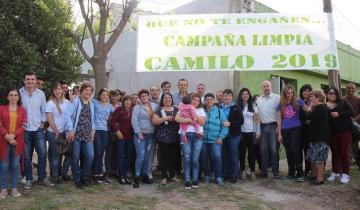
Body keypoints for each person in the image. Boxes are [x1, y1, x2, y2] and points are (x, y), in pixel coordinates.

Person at [20, 72, 54, 189]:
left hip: (38, 129)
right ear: (24, 80)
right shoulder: (19, 93)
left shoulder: (41, 94)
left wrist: (42, 124)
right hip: (24, 130)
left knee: (42, 154)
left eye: (32, 79)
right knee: (27, 156)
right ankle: (28, 179)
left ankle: (42, 178)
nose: (30, 81)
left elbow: (43, 110)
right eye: (28, 79)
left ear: (35, 81)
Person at [64, 83, 95, 188]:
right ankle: (77, 179)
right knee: (75, 157)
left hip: (87, 134)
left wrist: (93, 130)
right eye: (86, 90)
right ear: (81, 91)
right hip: (76, 133)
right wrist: (70, 130)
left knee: (90, 156)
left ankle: (85, 177)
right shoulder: (75, 101)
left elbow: (92, 118)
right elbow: (67, 115)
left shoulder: (91, 103)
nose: (88, 92)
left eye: (90, 91)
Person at [0, 87, 27, 199]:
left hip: (17, 141)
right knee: (4, 165)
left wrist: (13, 136)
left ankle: (14, 188)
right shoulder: (1, 108)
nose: (13, 97)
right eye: (11, 95)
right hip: (3, 140)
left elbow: (24, 125)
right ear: (7, 97)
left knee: (15, 165)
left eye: (16, 95)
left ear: (18, 97)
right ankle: (4, 189)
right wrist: (7, 136)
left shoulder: (22, 110)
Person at [175, 93, 205, 189]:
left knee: (195, 158)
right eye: (194, 100)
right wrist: (189, 119)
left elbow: (201, 122)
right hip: (185, 135)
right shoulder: (183, 107)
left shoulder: (200, 110)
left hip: (198, 136)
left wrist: (192, 113)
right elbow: (177, 118)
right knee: (187, 157)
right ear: (190, 100)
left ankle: (195, 179)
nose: (195, 102)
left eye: (197, 100)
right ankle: (187, 179)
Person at [277, 85, 305, 182]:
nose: (289, 95)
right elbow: (279, 120)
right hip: (285, 130)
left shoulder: (298, 101)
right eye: (287, 93)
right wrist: (279, 134)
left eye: (291, 93)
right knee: (288, 151)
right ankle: (291, 173)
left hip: (296, 129)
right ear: (284, 94)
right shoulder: (281, 104)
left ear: (293, 93)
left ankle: (300, 173)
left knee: (295, 150)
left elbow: (308, 110)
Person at [325, 87, 353, 184]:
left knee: (343, 152)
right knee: (335, 153)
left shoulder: (343, 102)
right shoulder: (325, 105)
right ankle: (335, 172)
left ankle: (345, 174)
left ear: (337, 94)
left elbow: (351, 112)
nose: (332, 95)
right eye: (330, 93)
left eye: (334, 93)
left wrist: (339, 114)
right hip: (332, 133)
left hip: (345, 131)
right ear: (326, 94)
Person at [131, 89, 158, 188]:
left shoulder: (154, 106)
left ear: (148, 96)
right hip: (140, 135)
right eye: (142, 96)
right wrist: (138, 133)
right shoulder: (137, 107)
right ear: (140, 97)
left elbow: (158, 115)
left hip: (151, 135)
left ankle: (145, 175)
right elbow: (134, 120)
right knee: (140, 156)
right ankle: (136, 177)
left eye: (146, 95)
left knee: (147, 157)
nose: (144, 97)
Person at [152, 93, 180, 185]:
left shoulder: (176, 109)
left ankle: (172, 175)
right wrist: (166, 118)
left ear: (172, 99)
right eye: (165, 98)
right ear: (162, 100)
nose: (168, 99)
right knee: (164, 157)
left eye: (169, 98)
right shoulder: (159, 109)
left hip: (175, 137)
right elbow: (154, 121)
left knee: (173, 157)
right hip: (162, 137)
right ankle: (164, 176)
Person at [201, 93, 228, 186]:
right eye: (207, 100)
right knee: (204, 158)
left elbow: (225, 126)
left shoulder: (219, 111)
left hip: (216, 140)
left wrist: (221, 137)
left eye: (210, 99)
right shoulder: (201, 111)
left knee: (217, 158)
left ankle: (218, 177)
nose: (209, 101)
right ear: (204, 101)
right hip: (203, 140)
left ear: (213, 101)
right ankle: (207, 176)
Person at [46, 82, 70, 184]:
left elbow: (69, 118)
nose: (58, 91)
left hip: (65, 132)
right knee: (55, 155)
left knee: (64, 154)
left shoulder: (68, 102)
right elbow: (50, 120)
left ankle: (62, 173)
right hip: (53, 133)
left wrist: (67, 131)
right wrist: (56, 132)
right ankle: (54, 175)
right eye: (55, 89)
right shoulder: (50, 103)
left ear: (62, 90)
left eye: (59, 89)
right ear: (53, 91)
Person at [256, 80, 281, 179]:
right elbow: (257, 116)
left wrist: (278, 128)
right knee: (263, 150)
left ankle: (275, 172)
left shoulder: (277, 98)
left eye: (268, 86)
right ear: (262, 88)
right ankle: (264, 171)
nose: (266, 88)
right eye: (264, 86)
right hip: (263, 126)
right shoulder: (259, 100)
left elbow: (279, 114)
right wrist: (258, 130)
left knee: (274, 150)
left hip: (273, 126)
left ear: (271, 87)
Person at [305, 90, 331, 186]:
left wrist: (310, 107)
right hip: (315, 137)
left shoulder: (321, 107)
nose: (310, 99)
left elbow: (309, 116)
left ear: (318, 98)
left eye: (312, 97)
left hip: (321, 138)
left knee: (320, 159)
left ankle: (320, 179)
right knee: (312, 158)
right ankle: (314, 175)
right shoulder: (318, 108)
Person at [221, 89, 244, 182]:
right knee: (224, 154)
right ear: (223, 97)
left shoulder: (236, 107)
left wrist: (230, 123)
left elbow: (241, 121)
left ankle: (234, 175)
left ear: (232, 97)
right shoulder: (220, 107)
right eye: (225, 95)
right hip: (223, 135)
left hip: (234, 135)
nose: (227, 97)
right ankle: (225, 174)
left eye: (229, 95)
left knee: (233, 154)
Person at [110, 95, 134, 185]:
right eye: (126, 101)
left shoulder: (133, 111)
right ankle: (121, 176)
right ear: (123, 102)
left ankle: (125, 174)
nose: (128, 102)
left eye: (130, 101)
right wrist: (117, 130)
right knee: (120, 156)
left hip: (130, 137)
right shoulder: (119, 109)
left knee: (128, 157)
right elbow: (113, 121)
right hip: (121, 137)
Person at [92, 88, 114, 184]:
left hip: (105, 131)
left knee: (101, 153)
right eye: (103, 94)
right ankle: (95, 174)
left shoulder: (109, 106)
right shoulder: (94, 102)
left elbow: (117, 112)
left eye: (106, 95)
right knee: (97, 152)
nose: (105, 96)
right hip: (96, 130)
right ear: (99, 95)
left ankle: (100, 174)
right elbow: (84, 99)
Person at [237, 88, 259, 181]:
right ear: (240, 96)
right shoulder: (237, 106)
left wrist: (258, 131)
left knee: (252, 153)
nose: (245, 95)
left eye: (247, 94)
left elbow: (257, 120)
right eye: (243, 94)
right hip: (241, 133)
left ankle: (252, 172)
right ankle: (242, 171)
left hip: (251, 132)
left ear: (249, 95)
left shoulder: (254, 106)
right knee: (242, 153)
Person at [342, 82, 360, 170]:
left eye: (352, 88)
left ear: (355, 89)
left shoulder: (358, 99)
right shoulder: (342, 99)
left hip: (357, 127)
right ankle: (346, 165)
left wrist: (354, 119)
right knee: (347, 146)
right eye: (349, 88)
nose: (351, 90)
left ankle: (358, 163)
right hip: (346, 126)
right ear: (346, 89)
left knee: (357, 146)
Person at [299, 84, 313, 176]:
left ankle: (308, 170)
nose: (306, 92)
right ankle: (300, 169)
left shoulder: (312, 101)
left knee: (308, 150)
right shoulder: (298, 101)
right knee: (299, 149)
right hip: (299, 128)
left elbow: (312, 115)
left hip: (309, 129)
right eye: (304, 90)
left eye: (308, 91)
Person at [252, 94, 262, 170]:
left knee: (260, 150)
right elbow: (255, 121)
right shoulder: (253, 108)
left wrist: (258, 132)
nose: (257, 101)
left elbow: (258, 121)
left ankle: (262, 167)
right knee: (254, 150)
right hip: (253, 132)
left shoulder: (261, 108)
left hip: (260, 132)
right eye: (256, 99)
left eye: (259, 99)